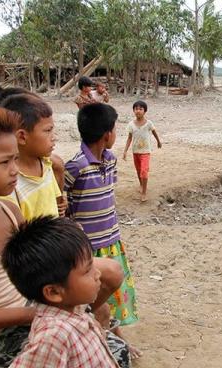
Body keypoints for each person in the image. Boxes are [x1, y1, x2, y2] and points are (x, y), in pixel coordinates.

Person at [0, 106, 129, 367]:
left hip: (30, 306)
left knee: (107, 347)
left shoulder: (9, 210)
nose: (15, 170)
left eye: (15, 159)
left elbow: (35, 260)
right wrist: (34, 313)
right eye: (4, 162)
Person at [65, 103, 141, 357]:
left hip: (112, 239)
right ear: (107, 134)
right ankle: (105, 340)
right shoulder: (75, 166)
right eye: (115, 129)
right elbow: (63, 199)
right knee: (94, 296)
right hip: (88, 244)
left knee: (113, 293)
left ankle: (115, 336)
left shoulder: (110, 160)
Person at [3, 216, 121, 368]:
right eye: (87, 270)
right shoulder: (54, 336)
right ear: (53, 292)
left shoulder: (74, 307)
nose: (98, 274)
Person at [122, 100, 162, 202]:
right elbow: (129, 138)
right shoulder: (131, 124)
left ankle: (144, 192)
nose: (138, 111)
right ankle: (141, 184)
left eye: (141, 109)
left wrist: (158, 141)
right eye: (136, 109)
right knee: (139, 170)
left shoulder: (149, 123)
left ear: (145, 111)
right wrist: (125, 151)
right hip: (135, 151)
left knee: (144, 171)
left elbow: (154, 132)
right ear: (133, 111)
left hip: (145, 151)